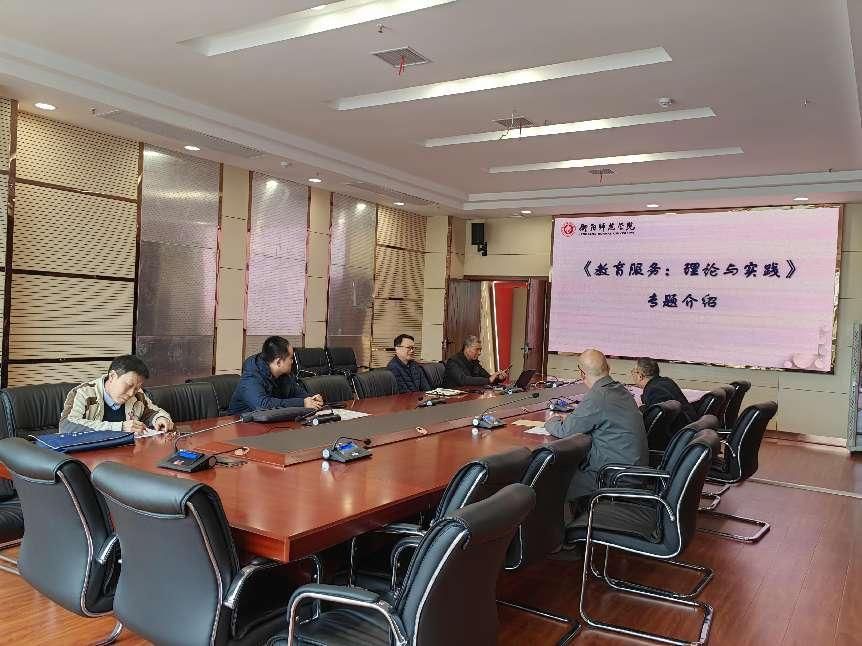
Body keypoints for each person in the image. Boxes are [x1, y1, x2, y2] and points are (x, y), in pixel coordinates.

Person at [545, 349, 647, 507]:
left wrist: (552, 420)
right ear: (609, 368)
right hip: (632, 472)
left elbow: (565, 431)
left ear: (582, 374)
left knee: (551, 479)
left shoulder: (599, 395)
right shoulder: (620, 390)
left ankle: (560, 522)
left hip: (613, 476)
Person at [60, 355, 174, 436]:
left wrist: (160, 419)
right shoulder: (83, 393)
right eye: (129, 385)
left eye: (136, 388)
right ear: (112, 376)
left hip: (126, 454)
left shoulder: (138, 395)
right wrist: (120, 428)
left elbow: (152, 412)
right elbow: (67, 426)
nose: (131, 393)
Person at [228, 336, 324, 414]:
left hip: (270, 421)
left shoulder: (284, 375)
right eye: (290, 358)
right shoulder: (251, 376)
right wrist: (302, 403)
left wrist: (312, 398)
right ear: (278, 362)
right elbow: (262, 405)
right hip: (241, 424)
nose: (292, 362)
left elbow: (296, 392)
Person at [632, 357, 697, 423]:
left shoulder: (654, 390)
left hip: (682, 426)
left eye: (633, 372)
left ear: (640, 376)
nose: (632, 374)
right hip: (690, 421)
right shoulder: (666, 381)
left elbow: (657, 418)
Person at [443, 335, 508, 388]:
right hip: (452, 398)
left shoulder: (475, 362)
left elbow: (488, 378)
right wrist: (488, 380)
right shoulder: (453, 361)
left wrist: (499, 378)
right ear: (467, 348)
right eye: (477, 349)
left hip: (469, 394)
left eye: (480, 350)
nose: (479, 353)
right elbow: (463, 380)